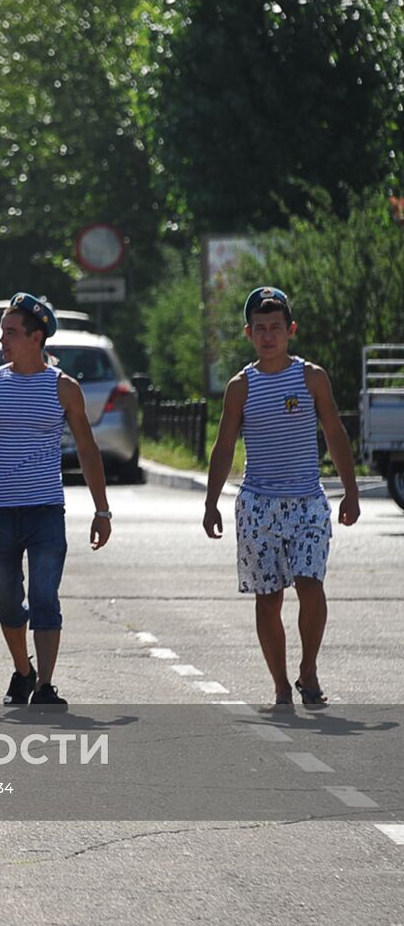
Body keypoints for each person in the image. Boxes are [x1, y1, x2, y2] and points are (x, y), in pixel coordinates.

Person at [0, 293, 112, 706]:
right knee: (6, 598)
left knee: (44, 598)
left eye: (12, 333)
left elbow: (88, 449)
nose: (3, 340)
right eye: (3, 332)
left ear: (36, 338)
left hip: (45, 511)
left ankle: (45, 686)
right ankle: (23, 669)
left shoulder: (62, 388)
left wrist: (101, 509)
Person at [203, 286, 359, 706]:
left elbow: (334, 433)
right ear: (248, 333)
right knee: (268, 597)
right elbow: (224, 447)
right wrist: (211, 502)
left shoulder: (311, 377)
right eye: (260, 329)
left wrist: (351, 491)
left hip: (307, 501)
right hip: (258, 504)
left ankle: (308, 669)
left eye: (275, 328)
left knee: (311, 585)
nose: (268, 336)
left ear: (290, 331)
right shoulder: (241, 386)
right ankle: (280, 684)